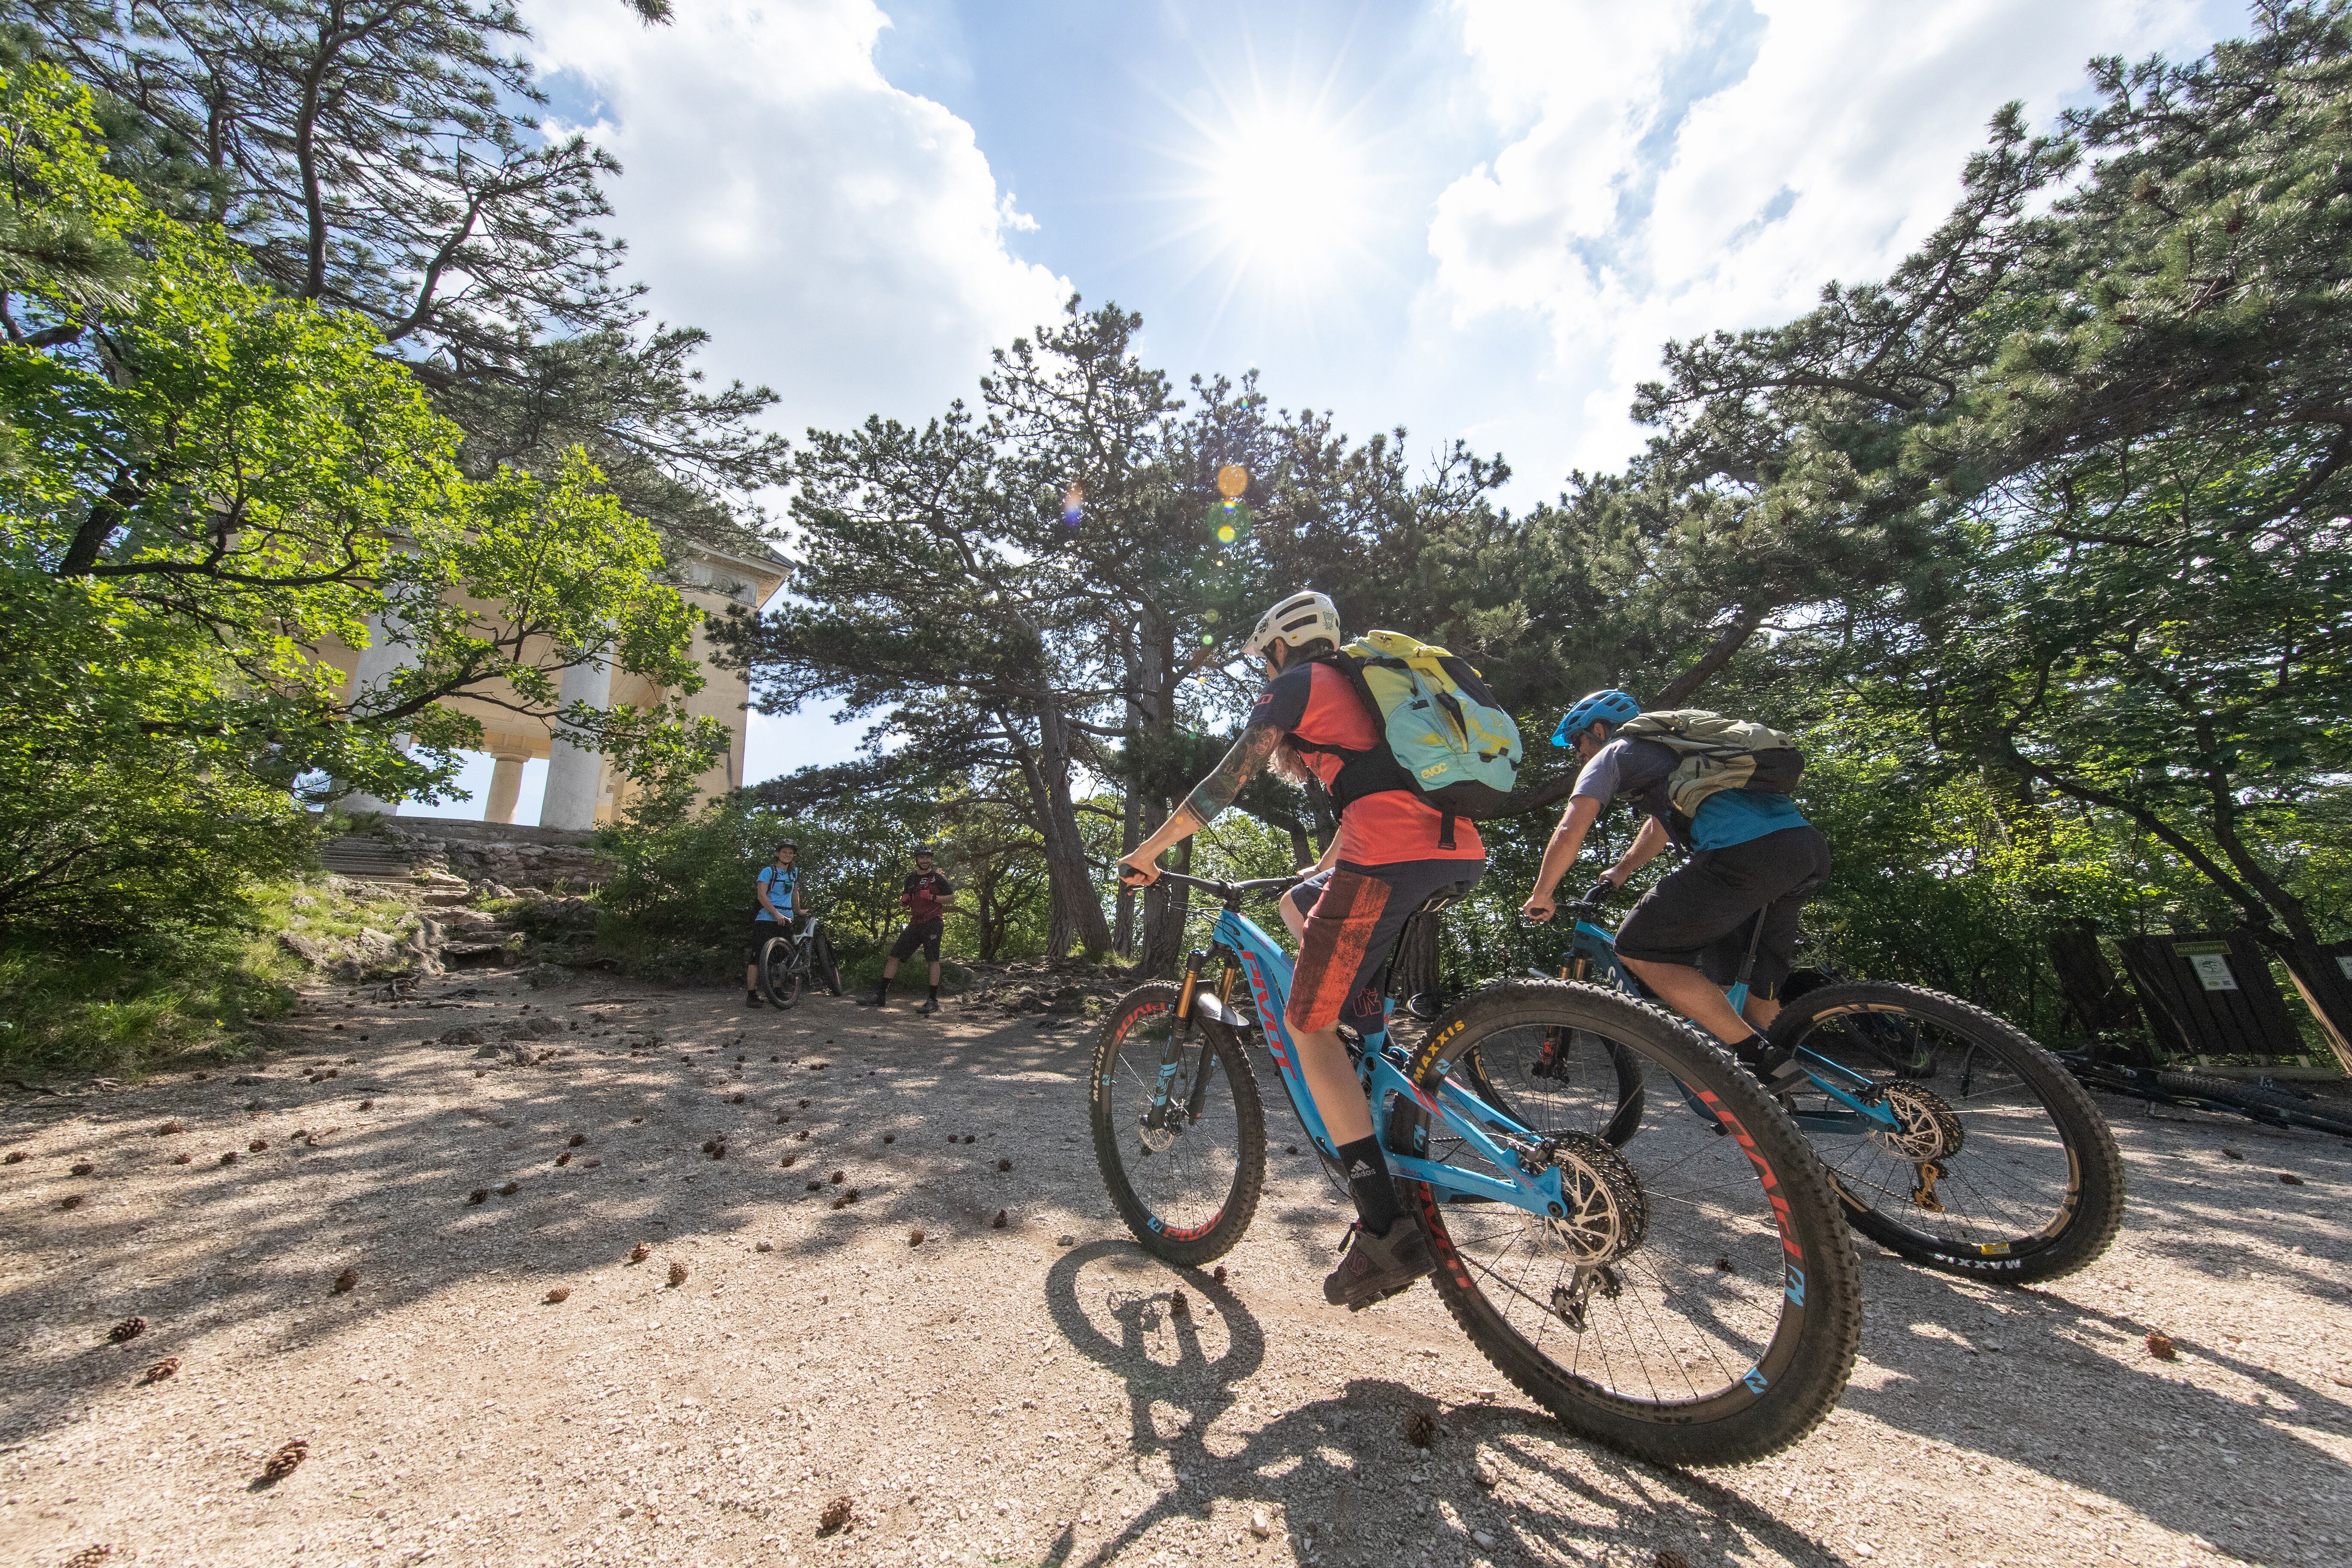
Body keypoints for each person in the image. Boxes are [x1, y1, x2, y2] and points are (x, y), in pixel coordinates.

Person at [1119, 589, 1486, 1311]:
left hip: (1387, 859)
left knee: (1303, 1024)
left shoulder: (1300, 683)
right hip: (1454, 851)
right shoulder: (1370, 694)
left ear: (1281, 646)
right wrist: (1317, 872)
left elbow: (1226, 780)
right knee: (1300, 906)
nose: (1264, 670)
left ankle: (1385, 1225)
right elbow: (1377, 795)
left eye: (1264, 658)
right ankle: (1369, 1050)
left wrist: (1148, 851)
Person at [1520, 689, 1831, 1087]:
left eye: (1578, 740)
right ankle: (1800, 1084)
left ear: (1599, 729)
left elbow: (1571, 826)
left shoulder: (1615, 753)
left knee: (1638, 947)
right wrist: (1620, 871)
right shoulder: (1681, 754)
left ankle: (1758, 1060)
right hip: (1802, 849)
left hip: (1742, 856)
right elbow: (1660, 827)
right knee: (1748, 985)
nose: (1577, 753)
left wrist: (1542, 893)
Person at [862, 845, 956, 1015]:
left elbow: (951, 899)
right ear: (917, 860)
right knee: (894, 956)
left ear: (932, 859)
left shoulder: (938, 878)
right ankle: (880, 996)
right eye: (922, 858)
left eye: (928, 857)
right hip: (915, 924)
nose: (925, 861)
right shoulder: (911, 879)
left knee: (933, 959)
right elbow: (907, 899)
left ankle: (933, 1000)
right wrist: (905, 901)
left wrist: (934, 897)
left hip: (933, 922)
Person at [745, 842, 801, 1008]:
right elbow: (762, 896)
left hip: (787, 918)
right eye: (785, 852)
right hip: (767, 919)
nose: (788, 855)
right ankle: (752, 995)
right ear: (777, 854)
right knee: (757, 957)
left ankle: (777, 990)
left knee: (781, 957)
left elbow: (794, 892)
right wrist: (776, 914)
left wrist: (798, 911)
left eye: (791, 853)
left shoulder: (794, 873)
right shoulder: (768, 871)